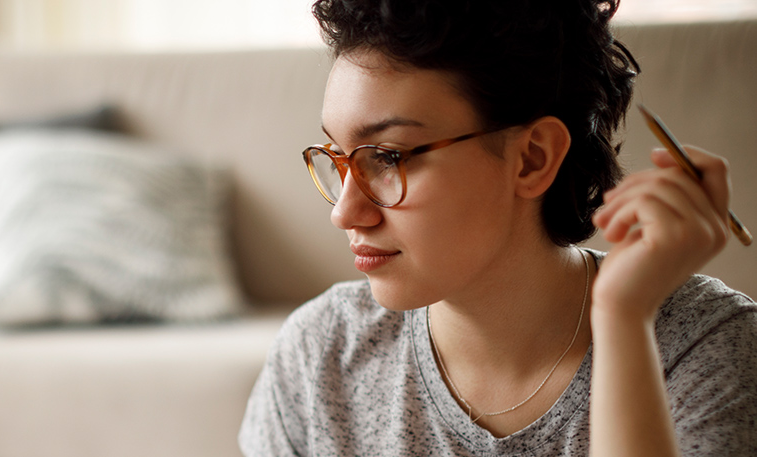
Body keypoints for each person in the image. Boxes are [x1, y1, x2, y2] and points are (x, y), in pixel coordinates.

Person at [239, 0, 757, 455]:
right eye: (338, 158)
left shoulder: (709, 350)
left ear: (531, 159)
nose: (345, 212)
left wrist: (624, 321)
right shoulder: (319, 354)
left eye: (389, 157)